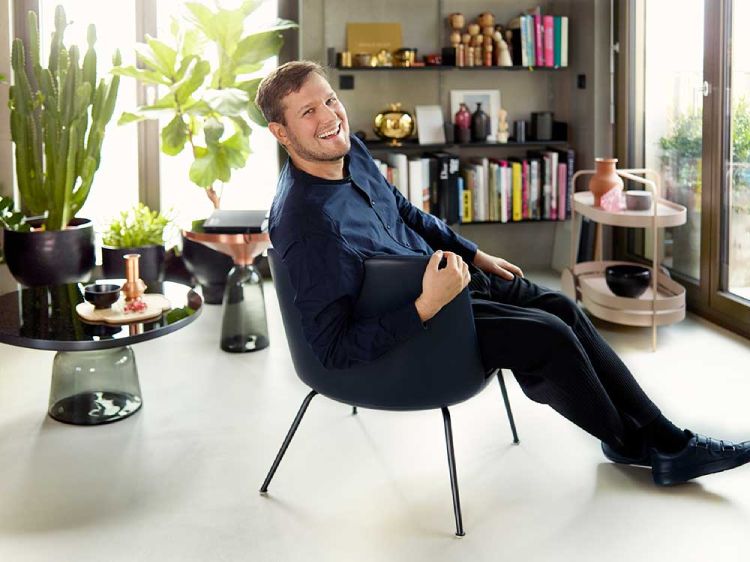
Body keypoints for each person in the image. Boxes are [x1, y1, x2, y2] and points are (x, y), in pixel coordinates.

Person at [257, 60, 750, 486]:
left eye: (329, 101)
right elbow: (332, 349)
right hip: (416, 325)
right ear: (281, 132)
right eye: (308, 112)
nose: (329, 118)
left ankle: (658, 441)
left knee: (560, 305)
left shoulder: (349, 150)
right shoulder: (305, 225)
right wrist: (426, 304)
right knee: (549, 337)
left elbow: (404, 211)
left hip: (448, 283)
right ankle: (644, 446)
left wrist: (473, 255)